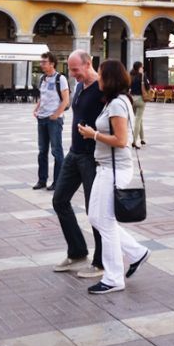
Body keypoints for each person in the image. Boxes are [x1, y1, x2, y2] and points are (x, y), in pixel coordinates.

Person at [77, 59, 150, 295]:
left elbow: (121, 141)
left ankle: (113, 277)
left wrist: (93, 134)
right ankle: (137, 252)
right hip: (105, 167)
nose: (97, 78)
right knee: (96, 217)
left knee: (105, 222)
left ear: (109, 78)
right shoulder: (112, 102)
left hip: (115, 169)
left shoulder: (118, 104)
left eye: (100, 74)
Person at [51, 51, 105, 280]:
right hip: (74, 154)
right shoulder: (80, 86)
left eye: (75, 70)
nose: (73, 74)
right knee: (59, 200)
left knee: (95, 210)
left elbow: (116, 121)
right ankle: (77, 252)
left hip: (92, 157)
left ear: (88, 64)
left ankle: (101, 261)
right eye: (70, 70)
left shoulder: (103, 88)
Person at [32, 52, 70, 191]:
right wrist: (36, 109)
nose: (42, 64)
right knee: (42, 151)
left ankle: (57, 182)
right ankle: (42, 180)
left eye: (44, 62)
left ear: (52, 63)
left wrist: (56, 115)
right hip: (41, 118)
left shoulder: (61, 79)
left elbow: (66, 100)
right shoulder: (42, 78)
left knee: (56, 151)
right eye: (41, 61)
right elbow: (43, 97)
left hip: (54, 120)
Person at [129, 62, 149, 148]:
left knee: (139, 119)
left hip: (132, 99)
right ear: (140, 68)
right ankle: (134, 140)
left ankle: (142, 138)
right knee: (137, 120)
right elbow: (148, 86)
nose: (143, 68)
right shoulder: (142, 76)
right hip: (140, 99)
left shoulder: (130, 75)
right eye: (142, 67)